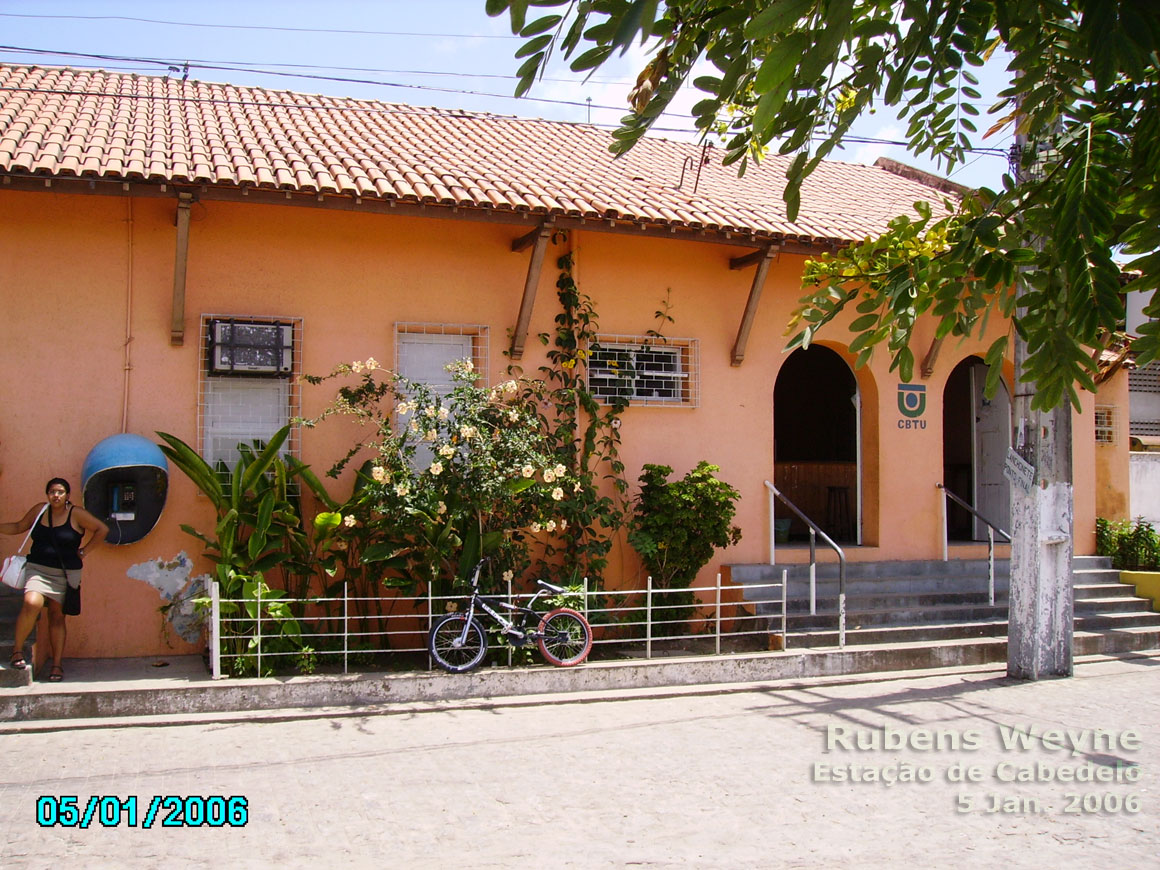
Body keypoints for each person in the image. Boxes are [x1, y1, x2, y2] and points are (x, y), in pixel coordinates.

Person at [2, 478, 108, 681]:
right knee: (30, 603)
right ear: (47, 494)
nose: (56, 495)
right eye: (52, 491)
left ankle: (57, 665)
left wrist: (85, 551)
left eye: (60, 492)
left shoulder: (76, 514)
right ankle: (17, 651)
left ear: (67, 495)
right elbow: (18, 526)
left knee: (57, 617)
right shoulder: (40, 510)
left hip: (65, 574)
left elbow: (102, 529)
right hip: (37, 569)